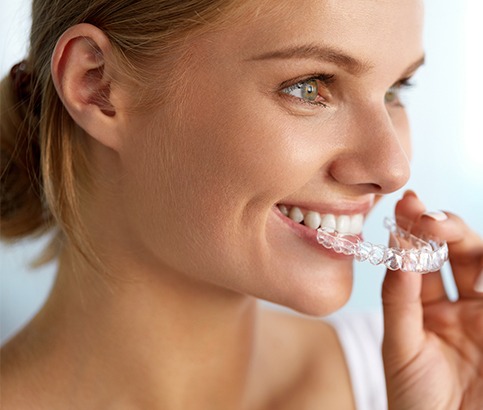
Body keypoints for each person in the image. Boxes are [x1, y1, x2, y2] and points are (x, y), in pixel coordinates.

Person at [1, 0, 482, 408]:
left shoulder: (424, 381)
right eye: (309, 86)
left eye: (396, 90)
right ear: (98, 85)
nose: (393, 168)